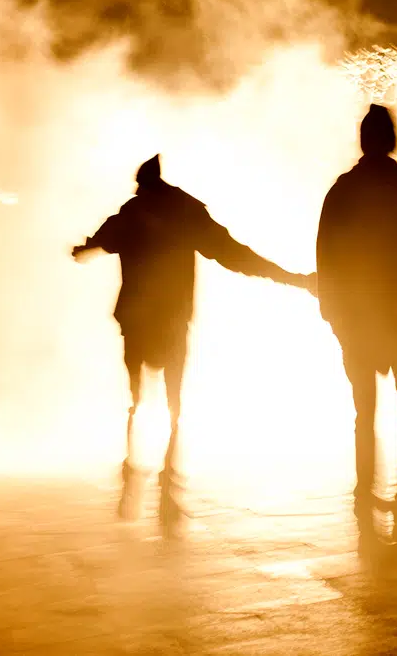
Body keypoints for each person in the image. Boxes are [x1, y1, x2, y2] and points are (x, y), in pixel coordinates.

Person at [73, 155, 314, 525]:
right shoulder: (185, 210)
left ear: (142, 184)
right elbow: (235, 255)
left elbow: (97, 244)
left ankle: (132, 474)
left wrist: (82, 250)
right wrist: (290, 278)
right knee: (174, 404)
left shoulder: (133, 212)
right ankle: (169, 486)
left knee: (138, 400)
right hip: (172, 321)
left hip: (138, 322)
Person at [316, 104, 397, 553]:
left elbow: (327, 257)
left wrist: (334, 315)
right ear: (391, 139)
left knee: (365, 415)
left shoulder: (342, 193)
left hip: (359, 323)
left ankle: (364, 503)